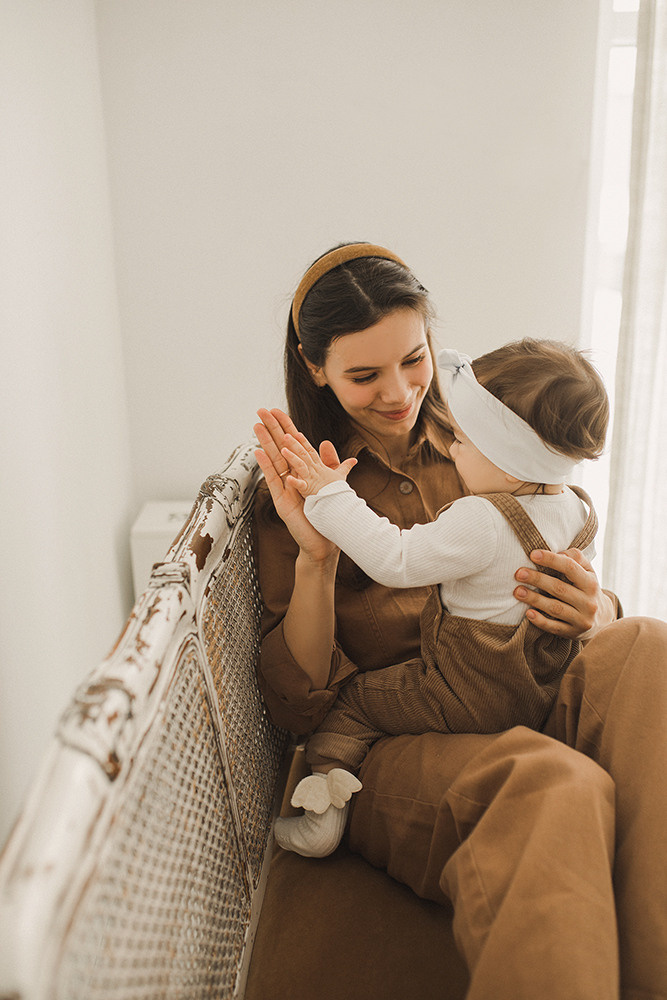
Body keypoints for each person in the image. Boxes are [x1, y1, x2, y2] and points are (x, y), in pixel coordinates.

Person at [252, 241, 667, 1000]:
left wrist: (589, 605)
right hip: (405, 739)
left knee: (647, 642)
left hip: (520, 685)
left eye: (413, 359)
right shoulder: (304, 490)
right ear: (315, 369)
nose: (399, 391)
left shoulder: (492, 444)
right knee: (553, 784)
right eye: (364, 375)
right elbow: (297, 702)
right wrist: (315, 556)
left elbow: (572, 574)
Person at [265, 338, 607, 859]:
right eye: (365, 375)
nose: (452, 448)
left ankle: (323, 816)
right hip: (539, 690)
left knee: (353, 706)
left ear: (509, 463)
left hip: (464, 695)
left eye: (465, 442)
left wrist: (328, 495)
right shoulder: (578, 512)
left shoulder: (481, 519)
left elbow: (395, 558)